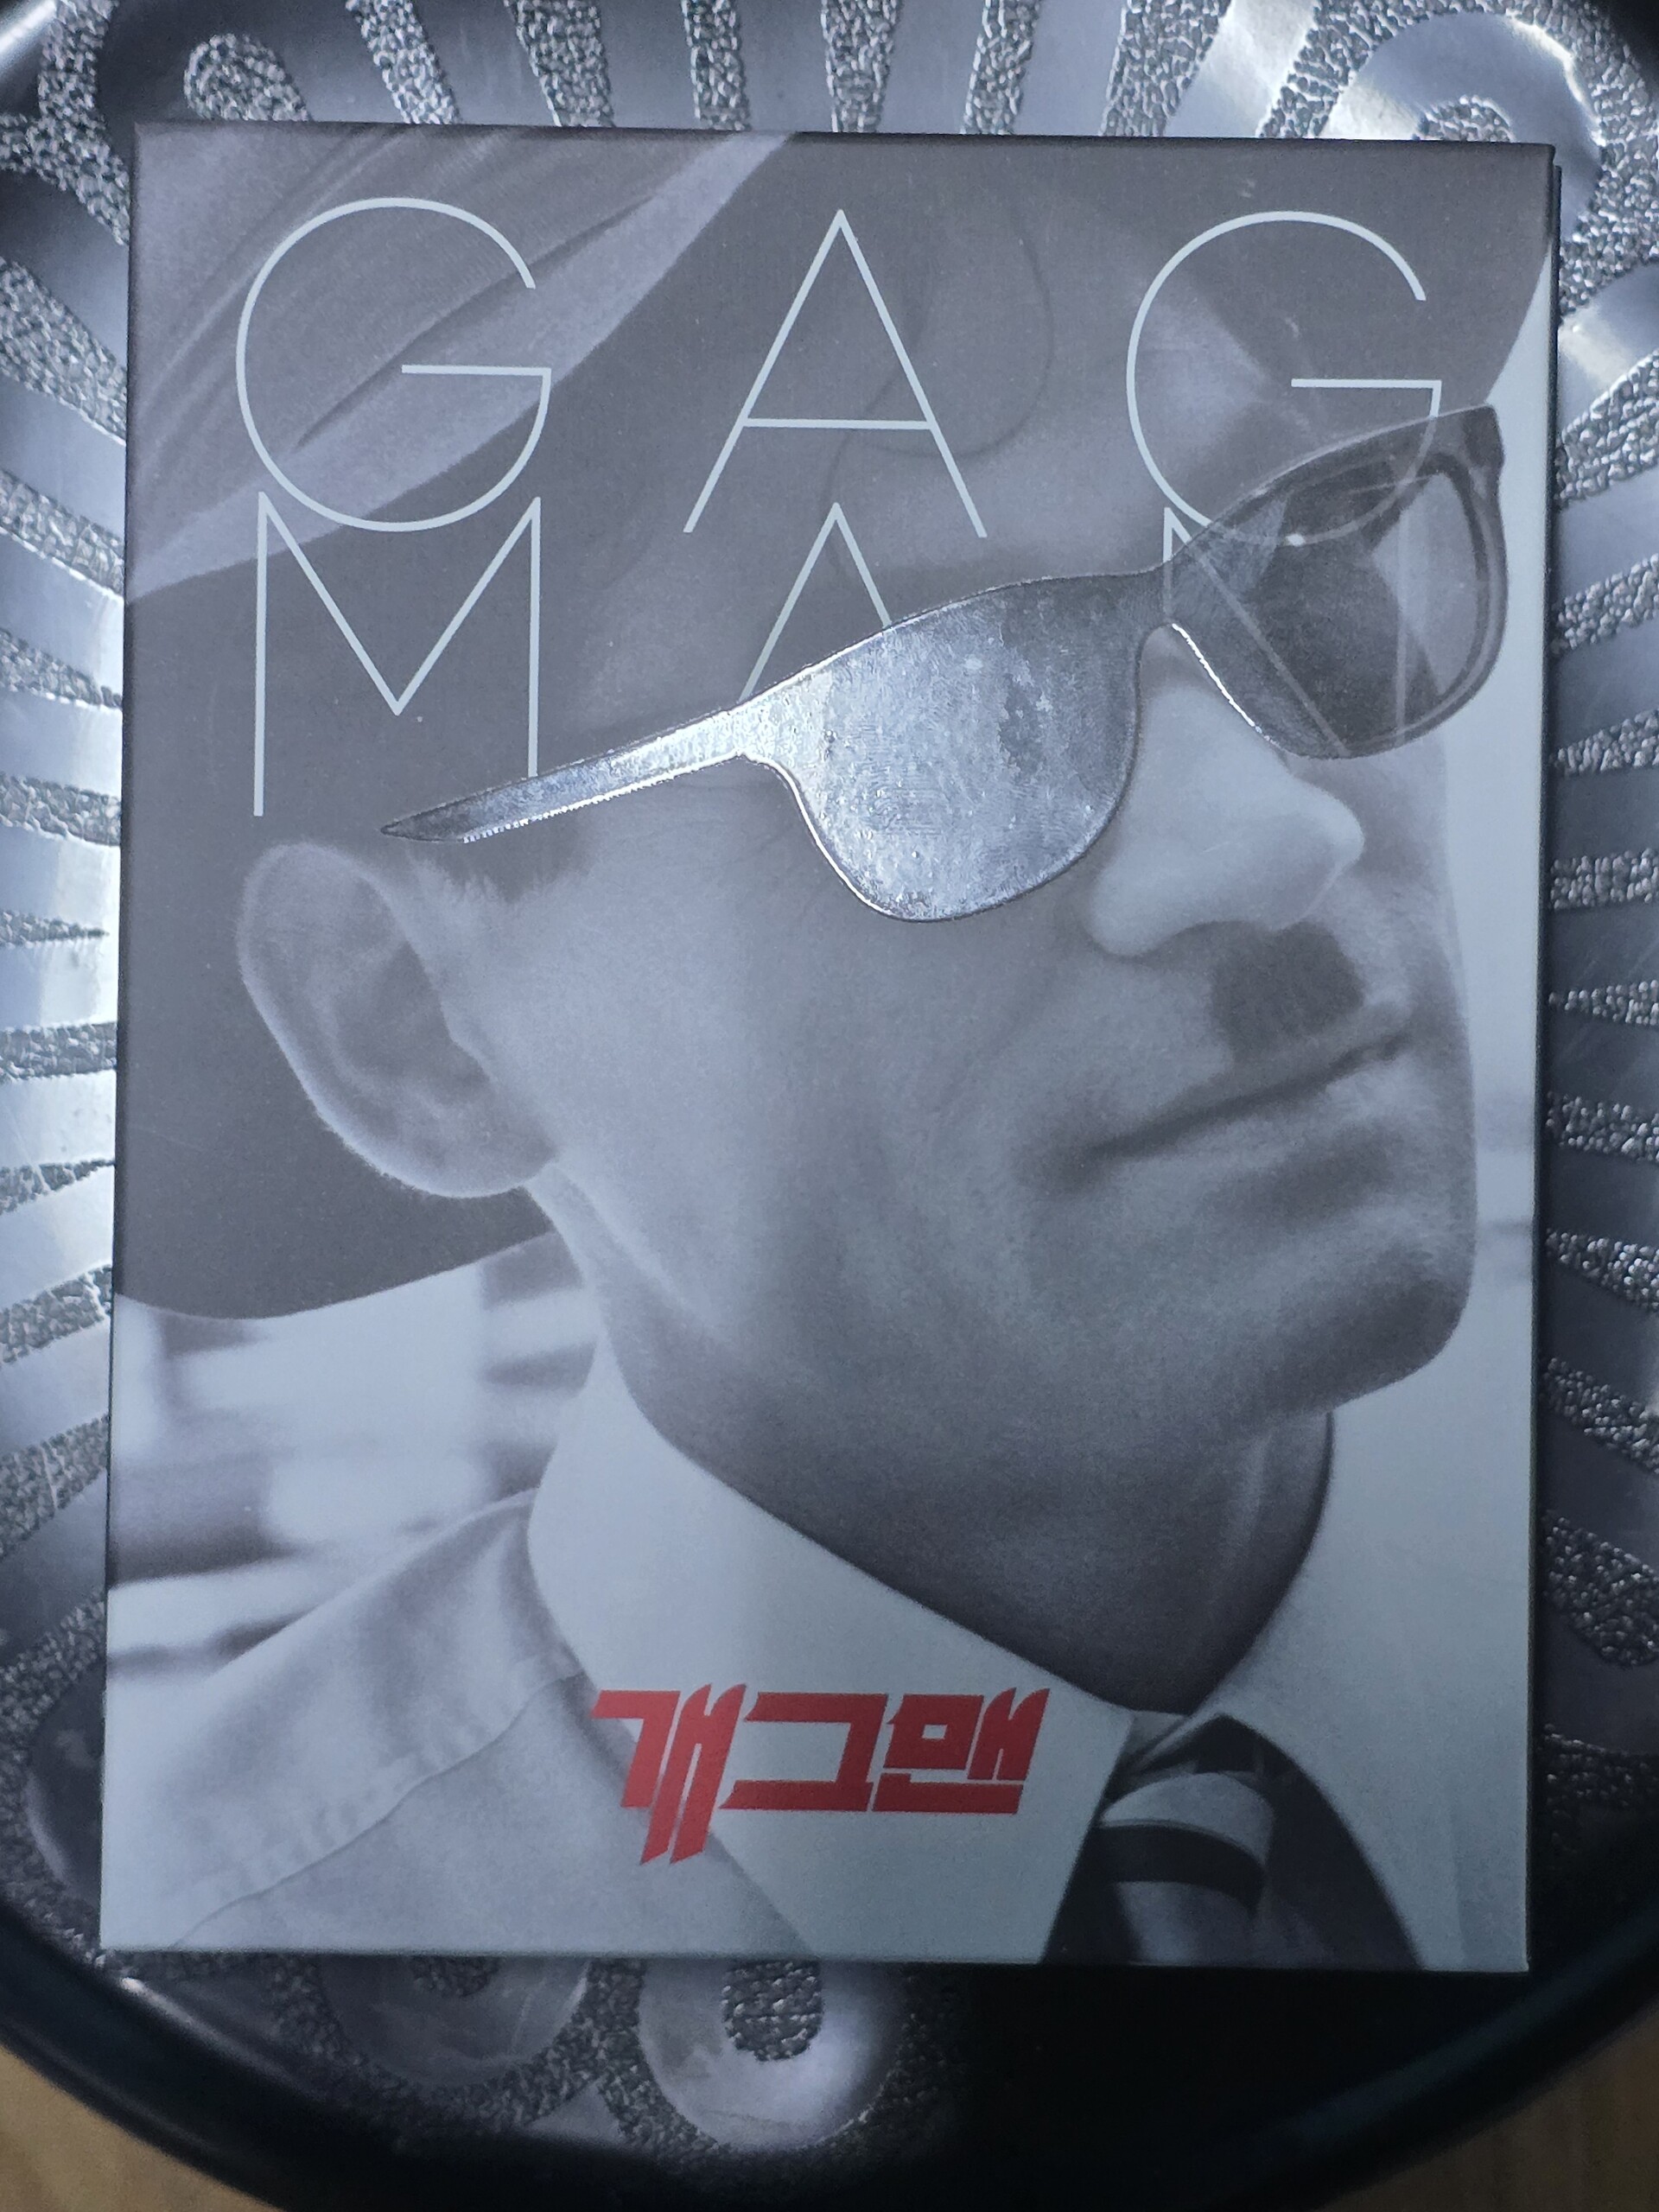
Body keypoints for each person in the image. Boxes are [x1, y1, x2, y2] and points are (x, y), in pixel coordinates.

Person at [100, 127, 1549, 1967]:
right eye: (931, 717)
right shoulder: (239, 1964)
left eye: (1305, 562)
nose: (1279, 839)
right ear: (411, 1024)